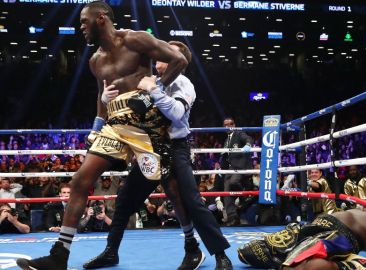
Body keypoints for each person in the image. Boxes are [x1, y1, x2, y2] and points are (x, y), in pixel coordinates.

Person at [17, 2, 188, 269]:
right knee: (79, 180)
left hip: (148, 125)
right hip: (116, 125)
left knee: (172, 188)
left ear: (100, 19)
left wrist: (152, 90)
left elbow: (180, 59)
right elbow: (102, 96)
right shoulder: (95, 61)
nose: (81, 28)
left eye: (84, 22)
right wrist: (96, 128)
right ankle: (60, 254)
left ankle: (191, 245)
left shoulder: (136, 39)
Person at [82, 40, 231, 270]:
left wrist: (154, 90)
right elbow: (126, 110)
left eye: (168, 54)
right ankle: (111, 251)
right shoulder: (144, 78)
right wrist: (106, 101)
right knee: (125, 199)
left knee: (189, 200)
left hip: (175, 146)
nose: (160, 57)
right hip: (148, 148)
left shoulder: (183, 84)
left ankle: (219, 256)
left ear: (178, 62)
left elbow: (177, 114)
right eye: (162, 53)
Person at [238, 186, 366, 270]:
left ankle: (347, 266)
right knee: (247, 253)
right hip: (311, 227)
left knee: (301, 267)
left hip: (336, 237)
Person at [219, 117, 253, 226]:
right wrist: (221, 168)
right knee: (227, 193)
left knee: (234, 182)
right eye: (226, 125)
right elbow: (225, 156)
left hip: (240, 167)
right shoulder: (226, 140)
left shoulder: (239, 133)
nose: (228, 126)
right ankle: (232, 218)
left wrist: (248, 144)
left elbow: (248, 138)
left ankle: (244, 195)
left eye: (230, 124)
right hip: (229, 169)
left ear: (234, 125)